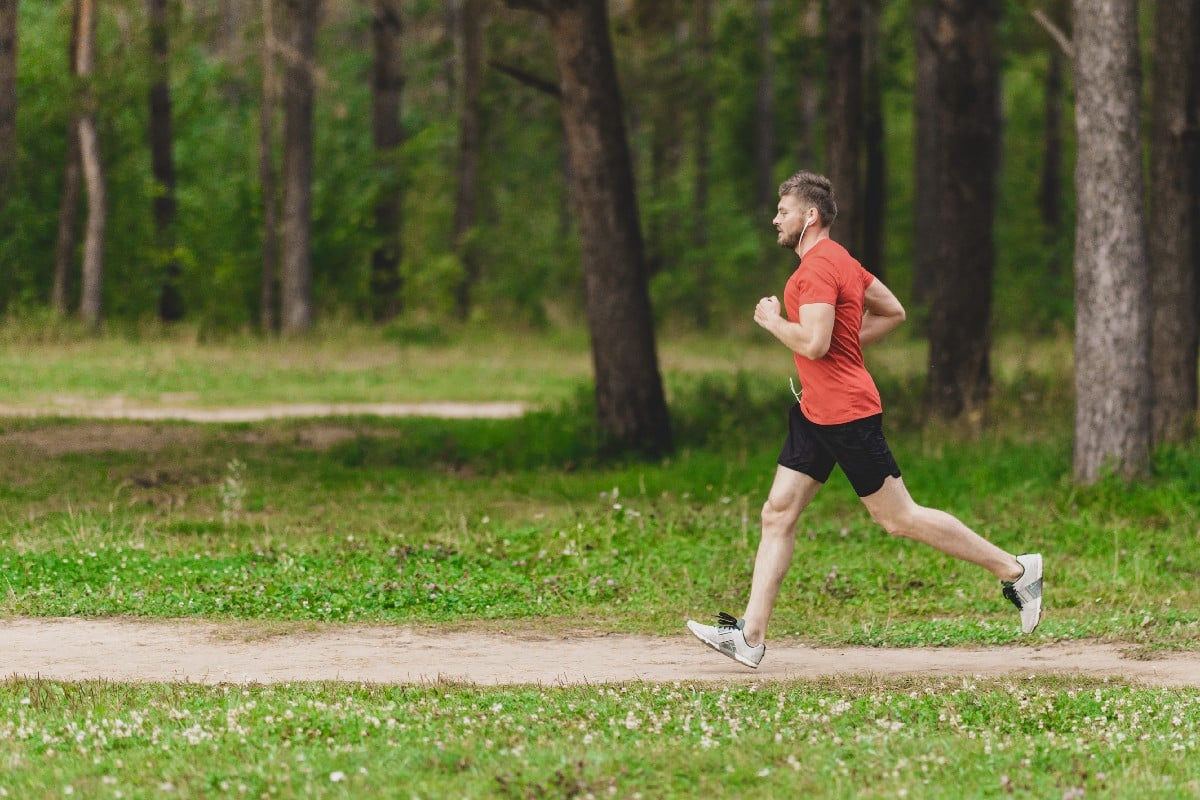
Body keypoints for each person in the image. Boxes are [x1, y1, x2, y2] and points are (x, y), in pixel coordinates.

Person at [686, 170, 1043, 669]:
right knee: (778, 512)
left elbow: (813, 342)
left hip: (846, 416)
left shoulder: (812, 272)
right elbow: (893, 311)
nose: (776, 219)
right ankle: (750, 636)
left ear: (810, 216)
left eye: (783, 210)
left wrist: (773, 322)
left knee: (898, 518)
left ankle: (1015, 569)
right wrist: (839, 350)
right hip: (815, 411)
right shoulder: (844, 262)